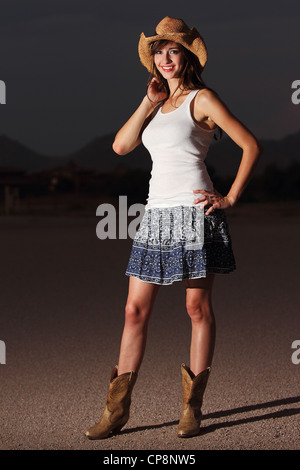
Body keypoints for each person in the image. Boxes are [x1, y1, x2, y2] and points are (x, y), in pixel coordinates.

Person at [85, 16, 262, 439]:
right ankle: (117, 410)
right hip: (156, 216)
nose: (166, 59)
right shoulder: (159, 104)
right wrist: (148, 102)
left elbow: (250, 144)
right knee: (133, 311)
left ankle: (192, 408)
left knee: (196, 309)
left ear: (187, 55)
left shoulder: (203, 98)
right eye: (159, 51)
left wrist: (230, 197)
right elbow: (121, 146)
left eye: (174, 50)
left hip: (194, 212)